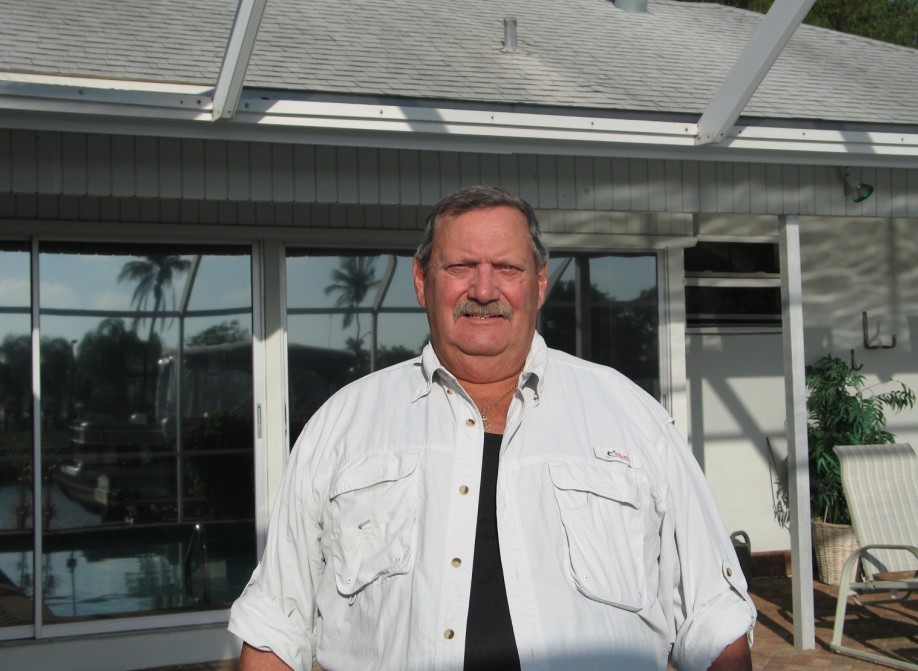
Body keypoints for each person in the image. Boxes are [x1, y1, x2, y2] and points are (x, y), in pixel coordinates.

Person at [228, 185, 756, 671]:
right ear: (422, 280)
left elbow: (713, 619)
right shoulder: (342, 426)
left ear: (539, 283)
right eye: (461, 266)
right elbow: (276, 626)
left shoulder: (635, 419)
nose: (484, 289)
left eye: (507, 267)